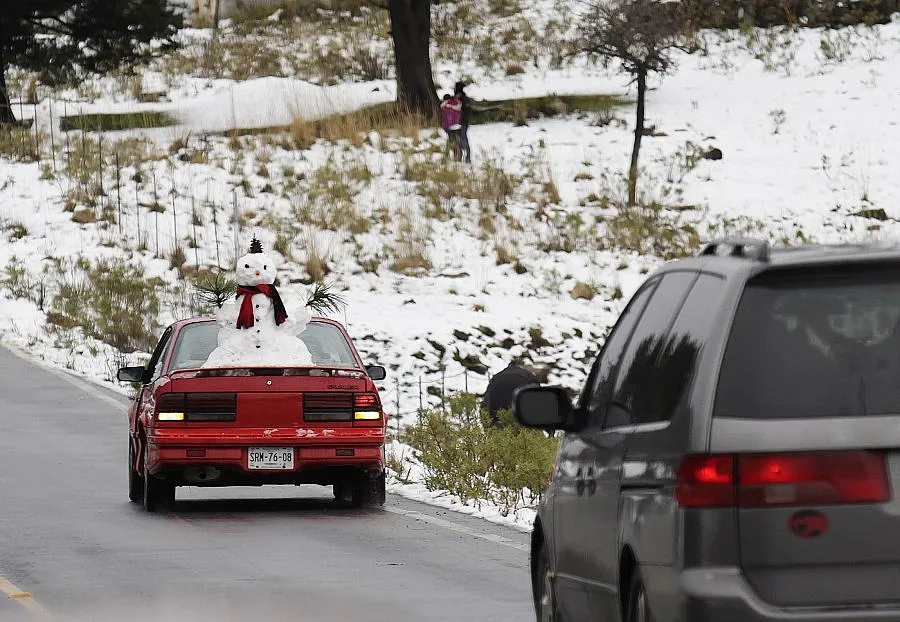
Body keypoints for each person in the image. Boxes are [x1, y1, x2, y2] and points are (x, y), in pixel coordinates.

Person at [483, 358, 539, 428]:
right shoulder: (529, 375)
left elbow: (486, 399)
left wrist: (487, 426)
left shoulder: (498, 376)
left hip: (497, 412)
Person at [439, 93, 463, 161]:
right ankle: (458, 157)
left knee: (450, 142)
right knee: (458, 142)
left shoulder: (446, 108)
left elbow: (445, 120)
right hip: (458, 126)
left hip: (450, 127)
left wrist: (445, 128)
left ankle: (446, 157)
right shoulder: (457, 104)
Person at [454, 81, 472, 163]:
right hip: (456, 122)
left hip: (462, 122)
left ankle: (467, 156)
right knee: (457, 139)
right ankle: (459, 156)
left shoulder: (464, 99)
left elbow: (466, 111)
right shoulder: (455, 99)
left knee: (463, 138)